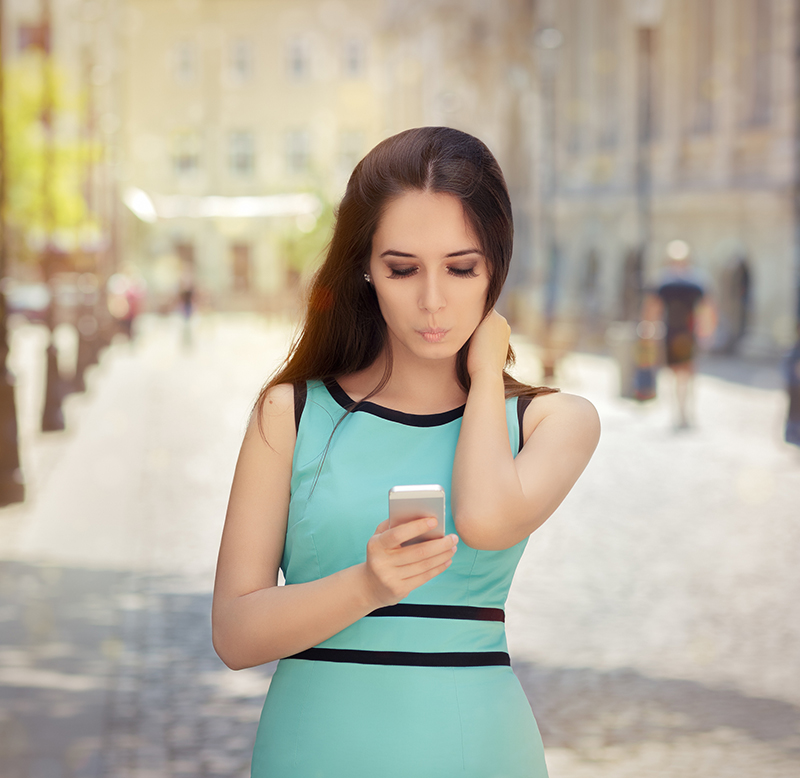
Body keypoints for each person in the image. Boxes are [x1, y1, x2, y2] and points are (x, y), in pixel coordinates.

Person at [212, 127, 600, 778]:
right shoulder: (291, 414)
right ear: (365, 266)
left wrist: (484, 375)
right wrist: (367, 584)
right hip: (314, 751)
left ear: (495, 267)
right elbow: (234, 633)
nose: (432, 300)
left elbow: (484, 518)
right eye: (402, 268)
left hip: (477, 750)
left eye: (460, 267)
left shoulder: (554, 421)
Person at [642, 240, 712, 429]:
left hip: (681, 333)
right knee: (681, 374)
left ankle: (682, 411)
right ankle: (681, 412)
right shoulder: (687, 281)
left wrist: (705, 331)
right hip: (680, 333)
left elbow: (705, 309)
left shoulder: (668, 281)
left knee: (683, 374)